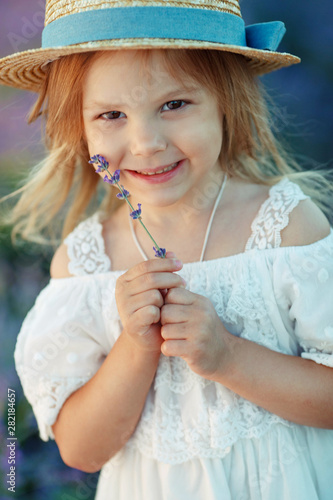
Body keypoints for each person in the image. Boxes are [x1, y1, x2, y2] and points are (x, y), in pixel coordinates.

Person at [1, 0, 333, 498]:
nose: (146, 142)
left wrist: (228, 357)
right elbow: (80, 450)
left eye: (174, 105)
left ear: (227, 99)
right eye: (111, 114)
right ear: (80, 126)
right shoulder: (86, 264)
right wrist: (135, 349)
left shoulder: (285, 229)